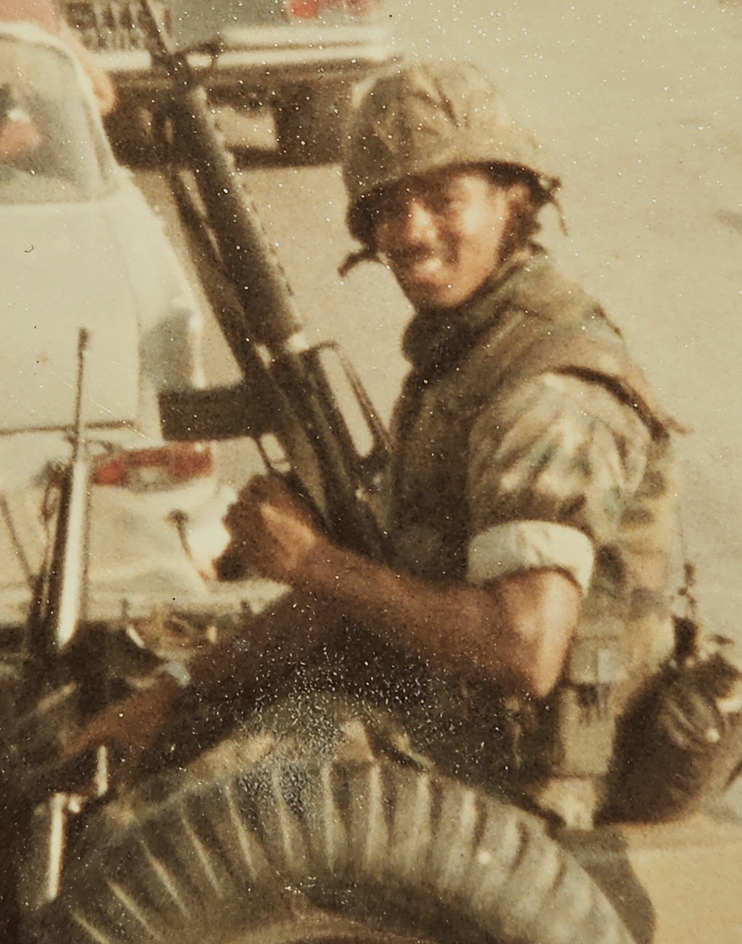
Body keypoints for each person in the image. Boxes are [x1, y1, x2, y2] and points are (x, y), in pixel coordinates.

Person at [59, 61, 693, 834]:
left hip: (533, 778)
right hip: (448, 712)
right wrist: (176, 692)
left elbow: (524, 646)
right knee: (146, 756)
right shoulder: (464, 352)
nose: (413, 232)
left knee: (146, 840)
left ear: (510, 200)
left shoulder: (545, 390)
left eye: (441, 199)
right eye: (389, 208)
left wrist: (313, 562)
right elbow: (362, 589)